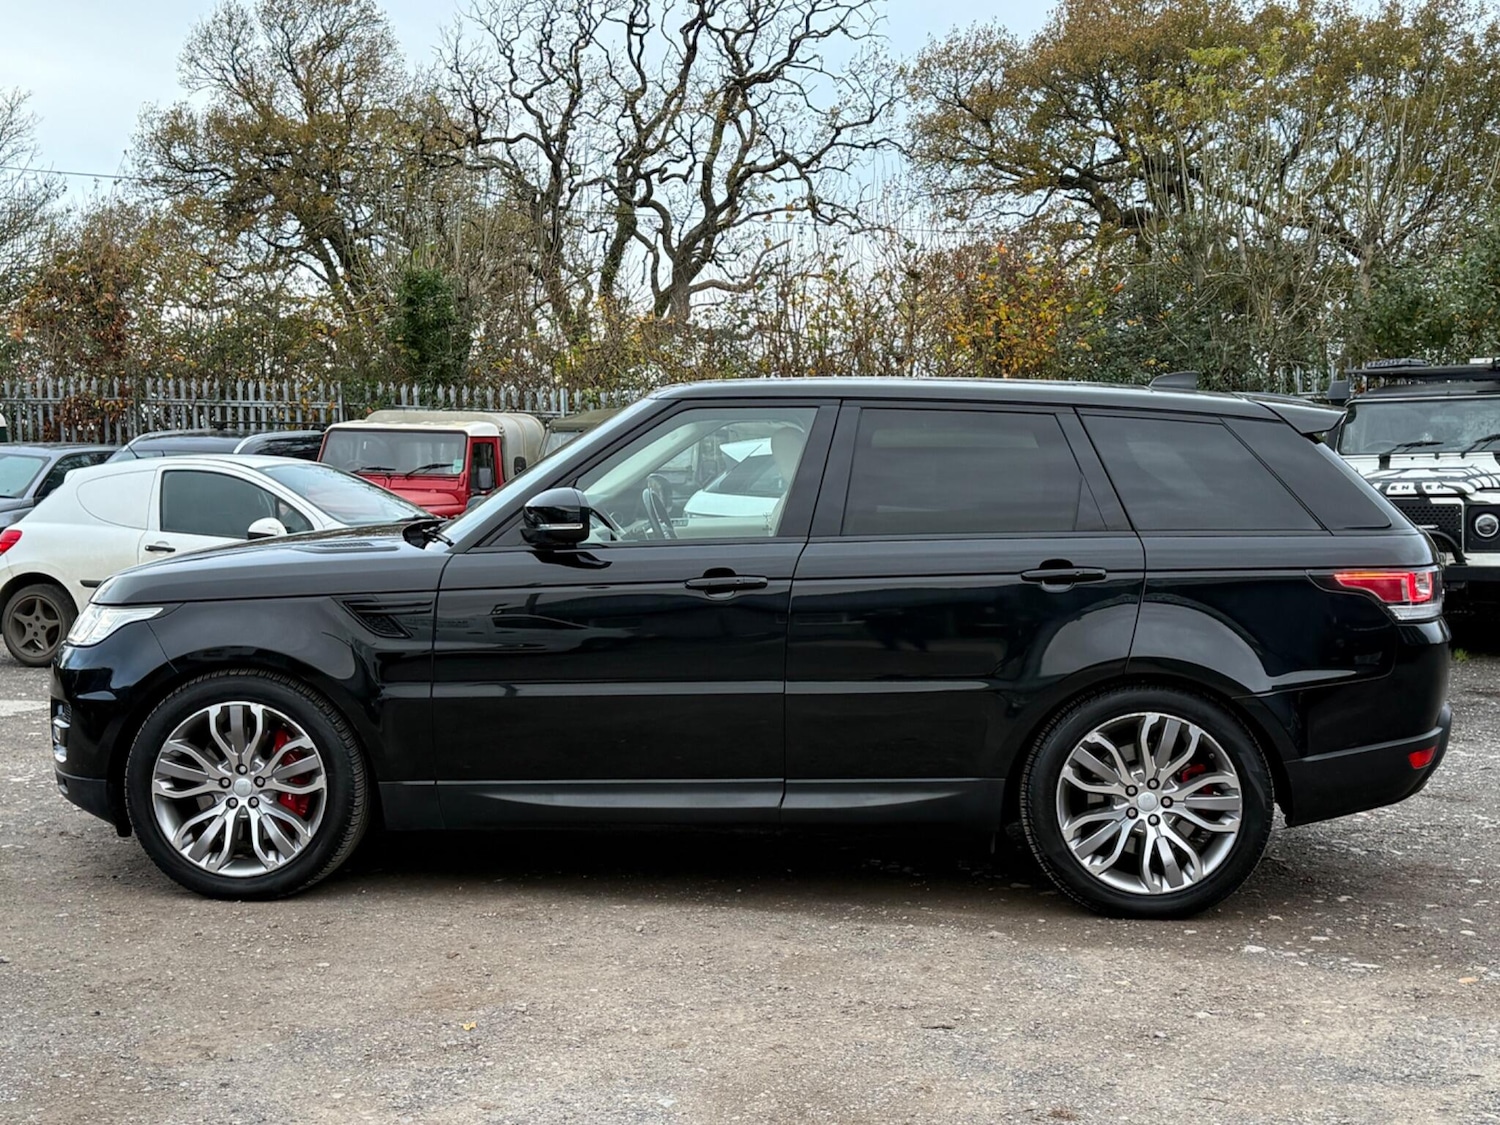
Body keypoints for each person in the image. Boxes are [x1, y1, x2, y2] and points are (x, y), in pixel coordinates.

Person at [766, 425, 807, 534]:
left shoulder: (806, 501)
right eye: (779, 457)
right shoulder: (791, 494)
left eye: (790, 452)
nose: (783, 463)